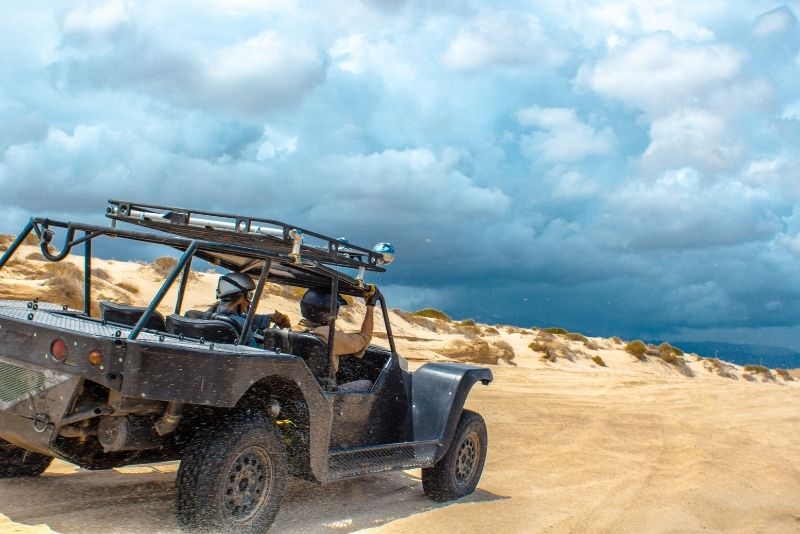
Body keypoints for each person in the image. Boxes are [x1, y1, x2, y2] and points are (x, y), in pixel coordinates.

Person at [298, 284, 380, 392]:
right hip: (326, 392)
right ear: (329, 312)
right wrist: (370, 306)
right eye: (337, 309)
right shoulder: (330, 336)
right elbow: (364, 338)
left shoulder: (301, 332)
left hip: (305, 387)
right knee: (368, 384)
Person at [209, 272, 291, 347]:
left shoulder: (210, 315)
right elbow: (255, 352)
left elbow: (247, 319)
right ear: (240, 297)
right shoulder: (239, 322)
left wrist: (269, 318)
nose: (249, 302)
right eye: (249, 296)